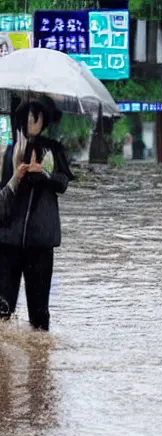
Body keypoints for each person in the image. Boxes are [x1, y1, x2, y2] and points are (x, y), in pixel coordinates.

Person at [0, 96, 74, 331]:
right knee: (2, 309)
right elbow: (3, 190)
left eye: (37, 117)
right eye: (28, 117)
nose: (32, 122)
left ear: (44, 120)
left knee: (39, 314)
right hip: (8, 241)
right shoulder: (11, 151)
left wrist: (43, 173)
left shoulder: (53, 149)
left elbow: (62, 183)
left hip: (40, 242)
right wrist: (18, 175)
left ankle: (40, 366)